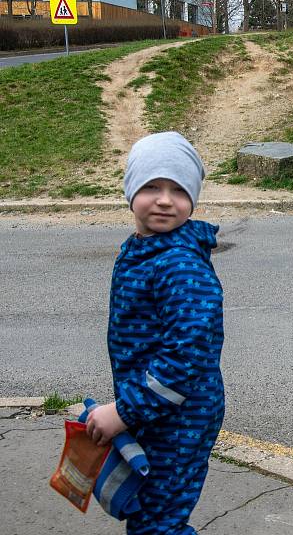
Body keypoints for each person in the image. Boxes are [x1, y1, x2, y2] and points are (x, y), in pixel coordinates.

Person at [85, 131, 225, 535]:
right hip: (157, 408)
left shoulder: (179, 264)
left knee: (157, 523)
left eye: (179, 190)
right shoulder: (144, 249)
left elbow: (188, 358)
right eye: (151, 186)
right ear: (130, 190)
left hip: (182, 416)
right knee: (150, 513)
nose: (165, 199)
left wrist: (124, 411)